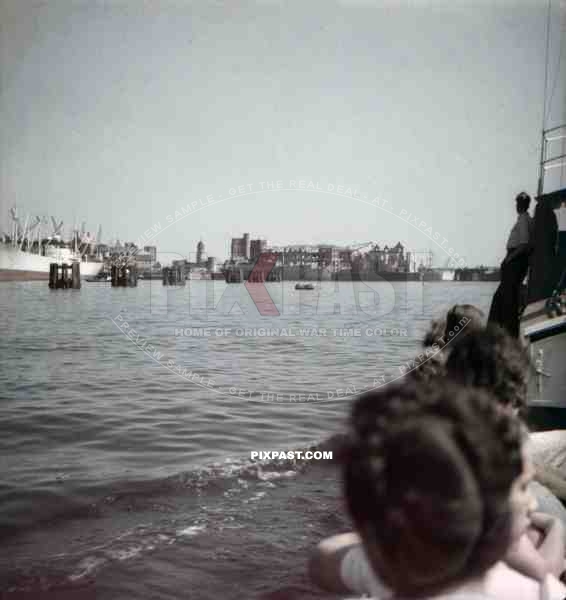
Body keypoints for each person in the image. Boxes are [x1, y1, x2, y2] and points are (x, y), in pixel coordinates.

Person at [309, 381, 566, 599]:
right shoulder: (539, 592)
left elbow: (321, 560)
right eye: (522, 488)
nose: (532, 503)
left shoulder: (397, 577)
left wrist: (399, 539)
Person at [488, 191, 534, 337]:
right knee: (505, 297)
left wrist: (509, 259)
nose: (517, 205)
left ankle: (499, 332)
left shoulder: (523, 220)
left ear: (522, 204)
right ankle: (504, 330)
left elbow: (524, 245)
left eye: (518, 203)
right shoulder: (526, 219)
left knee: (505, 298)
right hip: (516, 261)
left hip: (515, 261)